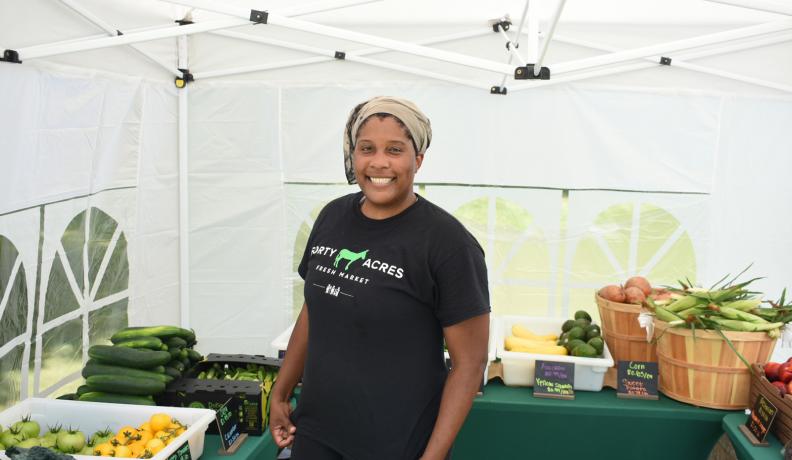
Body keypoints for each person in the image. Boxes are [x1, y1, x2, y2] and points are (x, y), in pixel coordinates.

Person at [269, 96, 490, 460]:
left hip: (397, 444)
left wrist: (431, 458)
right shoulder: (332, 217)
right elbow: (315, 308)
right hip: (317, 434)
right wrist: (281, 391)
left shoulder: (447, 243)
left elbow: (469, 364)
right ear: (353, 155)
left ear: (417, 160)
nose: (379, 163)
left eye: (395, 150)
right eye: (367, 148)